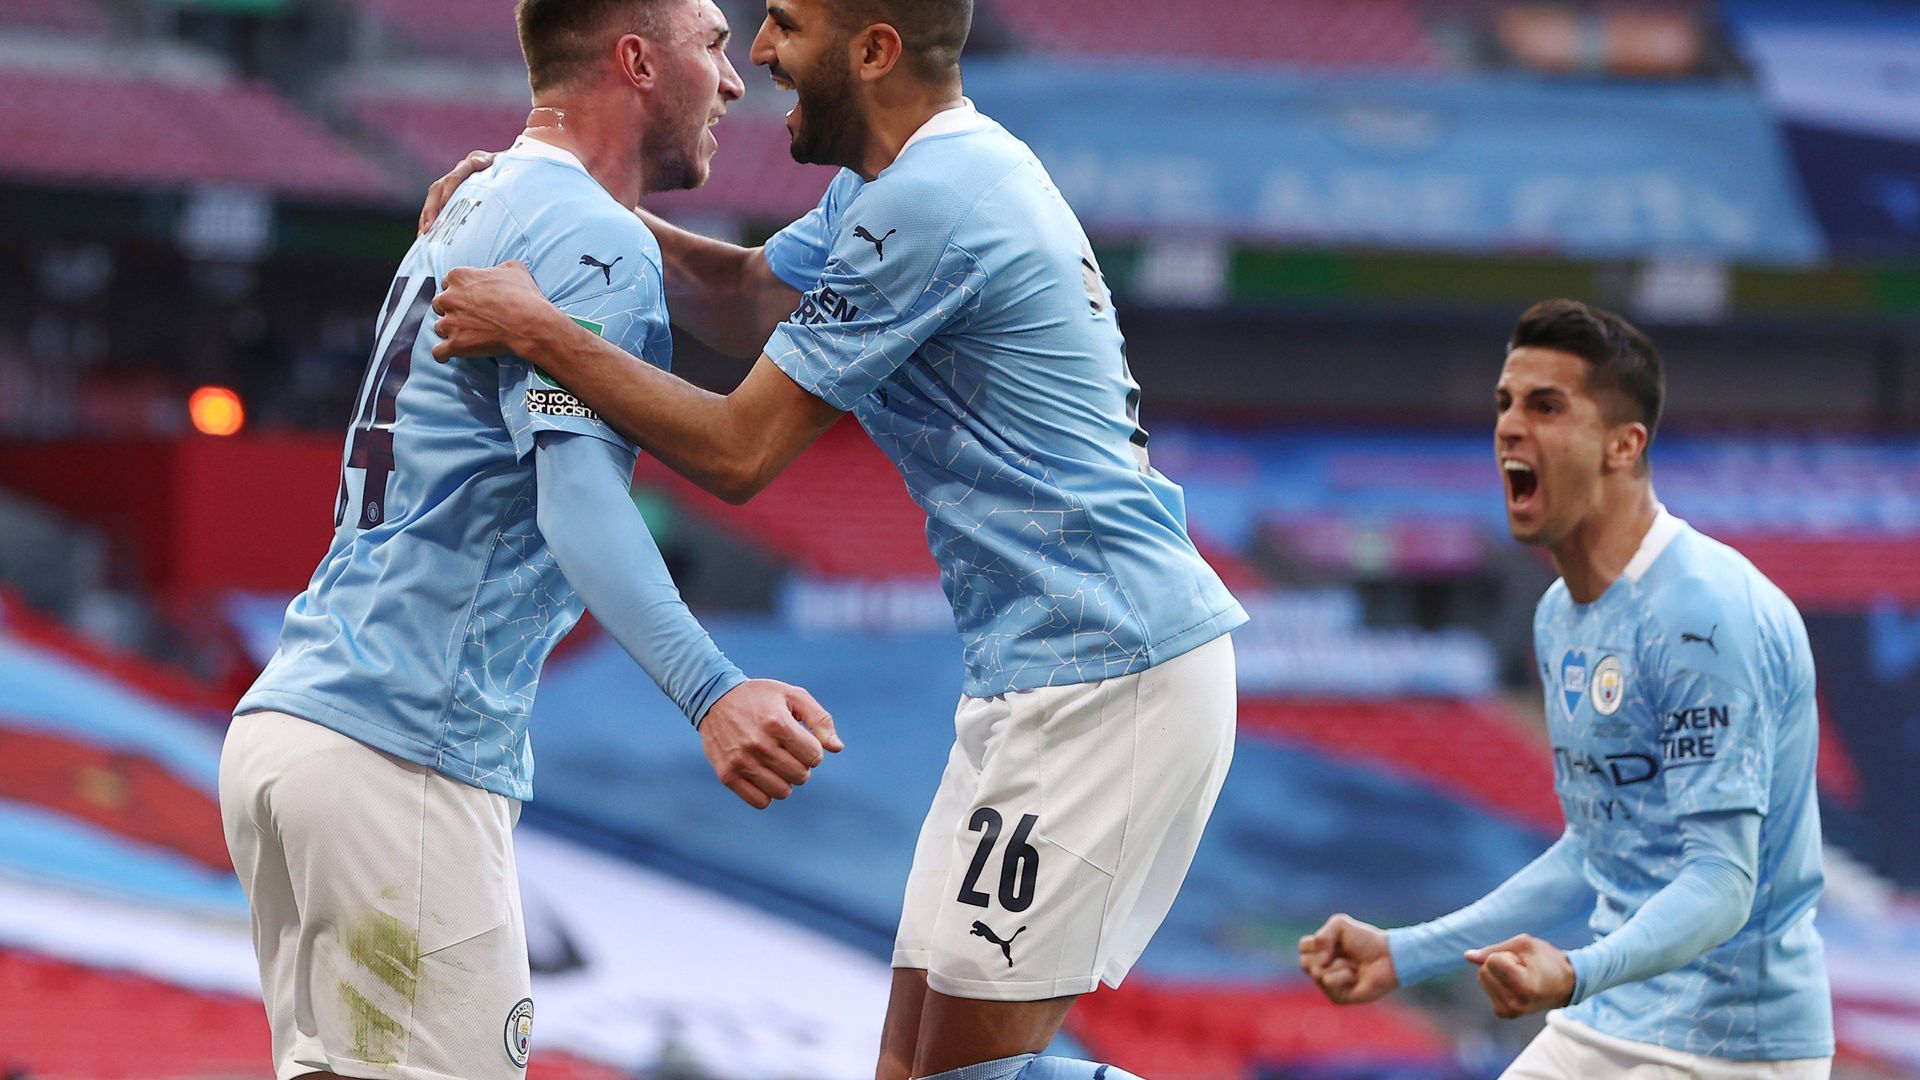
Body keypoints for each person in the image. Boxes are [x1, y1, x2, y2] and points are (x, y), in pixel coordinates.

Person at [423, 1, 1247, 1077]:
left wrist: (546, 330)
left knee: (966, 1076)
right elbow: (748, 294)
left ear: (874, 50)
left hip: (1110, 679)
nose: (759, 54)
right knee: (912, 1071)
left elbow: (736, 451)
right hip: (1048, 677)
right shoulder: (901, 185)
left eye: (787, 25)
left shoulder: (933, 203)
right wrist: (564, 196)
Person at [219, 2, 841, 1078]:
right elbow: (581, 500)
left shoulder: (479, 204)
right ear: (636, 61)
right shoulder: (587, 237)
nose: (738, 81)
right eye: (713, 47)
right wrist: (712, 689)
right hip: (403, 753)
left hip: (300, 727)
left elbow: (741, 294)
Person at [1298, 300, 1833, 1078]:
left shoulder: (1707, 616)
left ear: (1624, 446)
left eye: (1546, 406)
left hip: (1732, 1046)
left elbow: (1723, 881)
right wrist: (1406, 952)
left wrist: (1577, 971)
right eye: (1505, 404)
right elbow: (1595, 849)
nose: (1510, 427)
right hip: (1606, 1021)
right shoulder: (1558, 618)